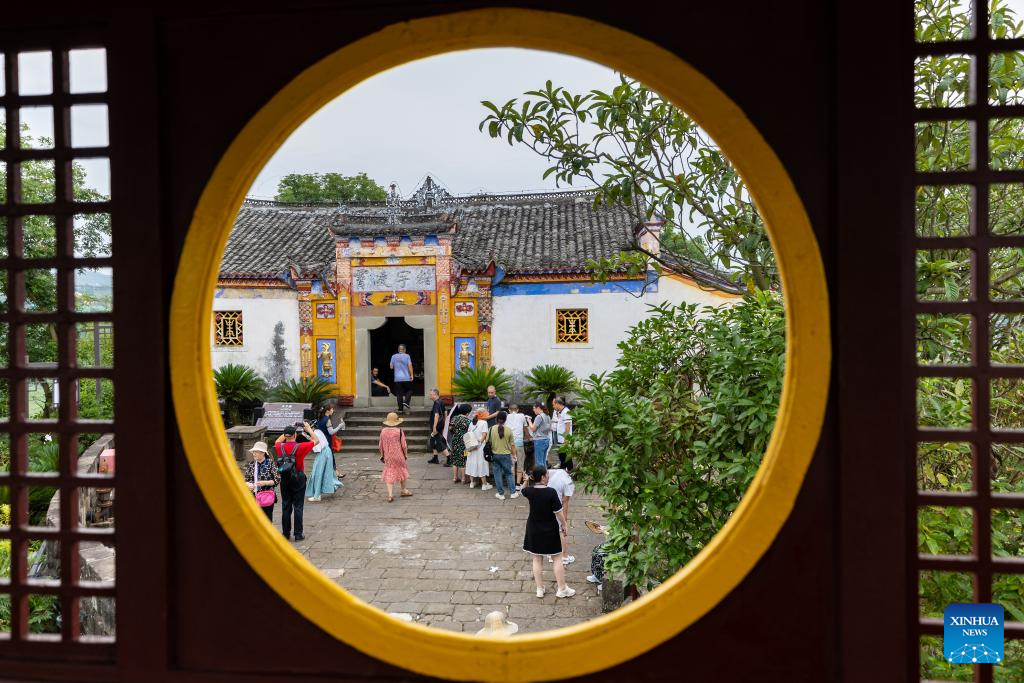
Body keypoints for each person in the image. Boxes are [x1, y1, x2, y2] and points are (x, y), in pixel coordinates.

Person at [522, 465, 575, 599]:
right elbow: (558, 512)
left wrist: (526, 480)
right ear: (543, 477)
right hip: (549, 529)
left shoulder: (529, 491)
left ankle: (540, 589)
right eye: (547, 474)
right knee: (557, 557)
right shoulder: (551, 492)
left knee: (536, 558)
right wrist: (564, 524)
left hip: (533, 528)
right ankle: (562, 588)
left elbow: (522, 490)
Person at [274, 422, 319, 541]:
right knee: (298, 507)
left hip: (285, 478)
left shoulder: (279, 447)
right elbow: (316, 440)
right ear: (295, 435)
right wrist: (308, 429)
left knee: (285, 506)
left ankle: (285, 533)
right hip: (298, 477)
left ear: (285, 435)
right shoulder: (301, 446)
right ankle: (298, 534)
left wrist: (288, 430)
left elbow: (278, 440)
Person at [379, 411, 412, 503]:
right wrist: (405, 454)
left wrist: (382, 454)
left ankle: (390, 495)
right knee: (402, 470)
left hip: (388, 456)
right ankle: (403, 490)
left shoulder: (383, 431)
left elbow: (380, 445)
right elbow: (404, 445)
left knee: (389, 472)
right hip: (399, 455)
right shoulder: (399, 431)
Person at [305, 422, 342, 502]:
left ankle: (317, 495)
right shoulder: (317, 431)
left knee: (317, 473)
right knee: (323, 473)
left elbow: (317, 448)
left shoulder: (315, 432)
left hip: (322, 453)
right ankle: (331, 486)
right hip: (325, 452)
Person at [546, 467, 576, 565]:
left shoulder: (559, 471)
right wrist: (564, 521)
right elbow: (565, 502)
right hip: (556, 506)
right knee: (561, 531)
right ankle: (564, 556)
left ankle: (550, 554)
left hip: (545, 501)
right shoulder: (569, 484)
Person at [244, 441, 279, 522]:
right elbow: (246, 479)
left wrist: (265, 483)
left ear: (263, 453)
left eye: (256, 452)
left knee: (267, 519)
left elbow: (277, 479)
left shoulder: (270, 463)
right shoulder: (252, 464)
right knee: (255, 519)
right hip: (254, 495)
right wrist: (248, 485)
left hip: (266, 496)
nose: (254, 454)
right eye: (253, 452)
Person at [487, 411, 520, 500]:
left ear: (496, 419)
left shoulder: (490, 429)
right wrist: (514, 455)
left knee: (497, 474)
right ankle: (513, 493)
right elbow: (512, 445)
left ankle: (501, 494)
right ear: (505, 420)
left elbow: (488, 442)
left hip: (495, 455)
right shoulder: (508, 430)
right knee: (509, 474)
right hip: (506, 455)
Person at [313, 402, 346, 479]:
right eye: (332, 409)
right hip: (327, 441)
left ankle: (336, 473)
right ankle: (333, 474)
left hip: (321, 440)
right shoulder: (327, 419)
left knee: (327, 457)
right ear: (327, 411)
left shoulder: (320, 418)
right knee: (330, 457)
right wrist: (340, 426)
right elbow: (331, 432)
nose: (333, 410)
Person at [465, 409, 492, 490]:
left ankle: (472, 483)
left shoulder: (472, 422)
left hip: (471, 446)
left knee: (471, 463)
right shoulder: (484, 423)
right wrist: (479, 442)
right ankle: (484, 484)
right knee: (481, 464)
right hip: (480, 447)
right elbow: (484, 435)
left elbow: (469, 434)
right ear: (482, 414)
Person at [446, 403, 472, 483]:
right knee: (463, 460)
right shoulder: (468, 421)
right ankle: (464, 478)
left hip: (454, 441)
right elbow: (470, 432)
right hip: (464, 442)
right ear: (467, 413)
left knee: (455, 460)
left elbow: (450, 428)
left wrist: (455, 432)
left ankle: (455, 478)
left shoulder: (454, 418)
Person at [505, 404, 528, 488]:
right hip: (519, 444)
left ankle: (512, 484)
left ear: (509, 410)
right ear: (517, 410)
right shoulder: (522, 416)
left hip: (509, 445)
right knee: (520, 464)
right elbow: (525, 428)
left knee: (511, 465)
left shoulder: (506, 416)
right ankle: (518, 484)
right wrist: (528, 437)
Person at [527, 402, 552, 471]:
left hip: (539, 441)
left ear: (538, 408)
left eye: (534, 408)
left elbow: (533, 428)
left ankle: (540, 479)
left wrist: (529, 421)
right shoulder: (547, 416)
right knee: (543, 461)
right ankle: (546, 477)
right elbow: (550, 428)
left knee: (539, 462)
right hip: (546, 439)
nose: (533, 410)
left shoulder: (539, 416)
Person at [390, 344, 413, 413]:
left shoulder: (393, 356)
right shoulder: (407, 356)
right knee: (410, 390)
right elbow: (410, 365)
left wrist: (396, 365)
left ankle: (400, 409)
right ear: (404, 350)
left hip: (397, 378)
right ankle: (406, 401)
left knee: (399, 394)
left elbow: (391, 367)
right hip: (406, 378)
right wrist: (411, 375)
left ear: (398, 349)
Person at [550, 397, 573, 470]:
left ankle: (570, 471)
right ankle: (563, 470)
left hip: (565, 440)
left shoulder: (566, 412)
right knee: (562, 457)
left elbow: (567, 426)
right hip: (561, 439)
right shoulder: (561, 412)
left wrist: (566, 439)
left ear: (557, 404)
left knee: (567, 458)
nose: (553, 407)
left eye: (554, 405)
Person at [427, 388, 448, 465]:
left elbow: (436, 415)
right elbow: (445, 412)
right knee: (433, 440)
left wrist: (434, 427)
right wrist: (444, 422)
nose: (430, 396)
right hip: (441, 424)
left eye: (431, 394)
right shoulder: (441, 401)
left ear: (435, 395)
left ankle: (449, 458)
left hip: (436, 425)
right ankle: (435, 457)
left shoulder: (436, 403)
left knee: (439, 441)